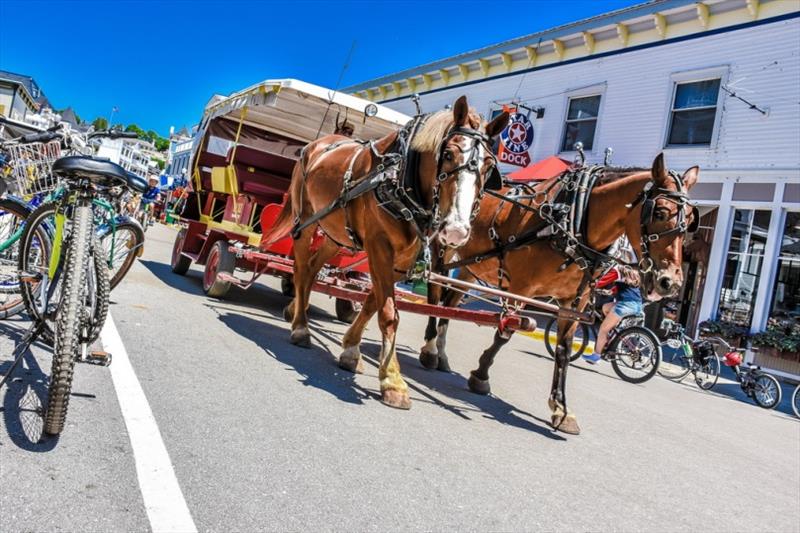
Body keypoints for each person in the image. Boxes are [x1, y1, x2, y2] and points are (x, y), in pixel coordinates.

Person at [583, 235, 643, 364]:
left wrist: (590, 286)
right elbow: (626, 288)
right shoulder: (633, 273)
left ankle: (596, 356)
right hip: (637, 306)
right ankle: (613, 333)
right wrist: (610, 291)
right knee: (605, 308)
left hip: (624, 305)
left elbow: (599, 282)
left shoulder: (617, 270)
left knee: (603, 329)